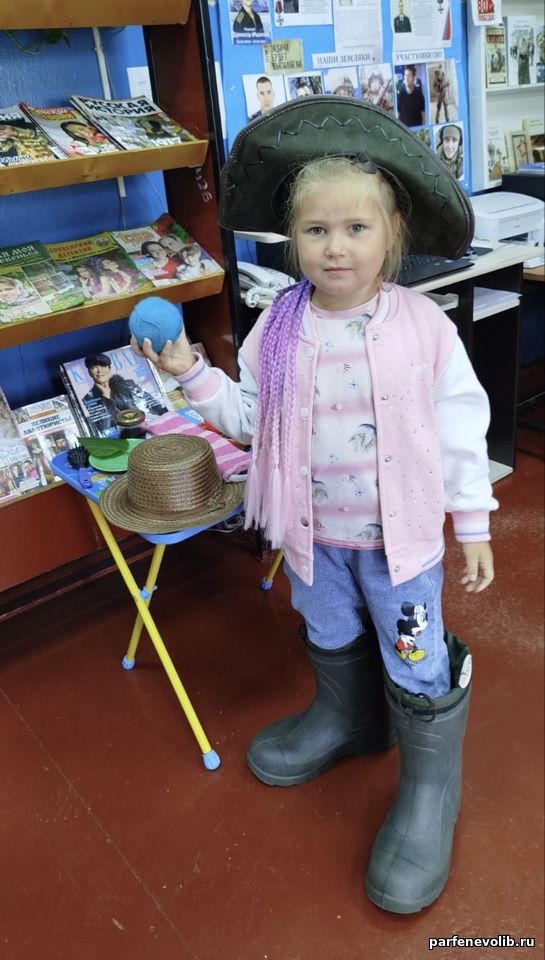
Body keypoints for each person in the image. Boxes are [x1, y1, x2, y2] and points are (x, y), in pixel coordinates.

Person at [134, 97, 497, 915]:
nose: (335, 247)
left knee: (414, 654)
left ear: (391, 232)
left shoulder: (421, 327)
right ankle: (349, 719)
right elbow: (253, 422)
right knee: (328, 630)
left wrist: (471, 521)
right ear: (291, 239)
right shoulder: (278, 327)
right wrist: (192, 374)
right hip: (313, 540)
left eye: (355, 228)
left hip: (401, 548)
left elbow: (459, 425)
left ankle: (430, 785)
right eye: (315, 230)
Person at [82, 353, 168, 436]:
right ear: (89, 372)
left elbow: (153, 404)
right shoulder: (89, 398)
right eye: (94, 367)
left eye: (103, 366)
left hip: (150, 426)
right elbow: (104, 428)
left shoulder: (128, 384)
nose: (99, 371)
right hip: (124, 437)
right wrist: (107, 398)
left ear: (109, 368)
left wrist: (166, 418)